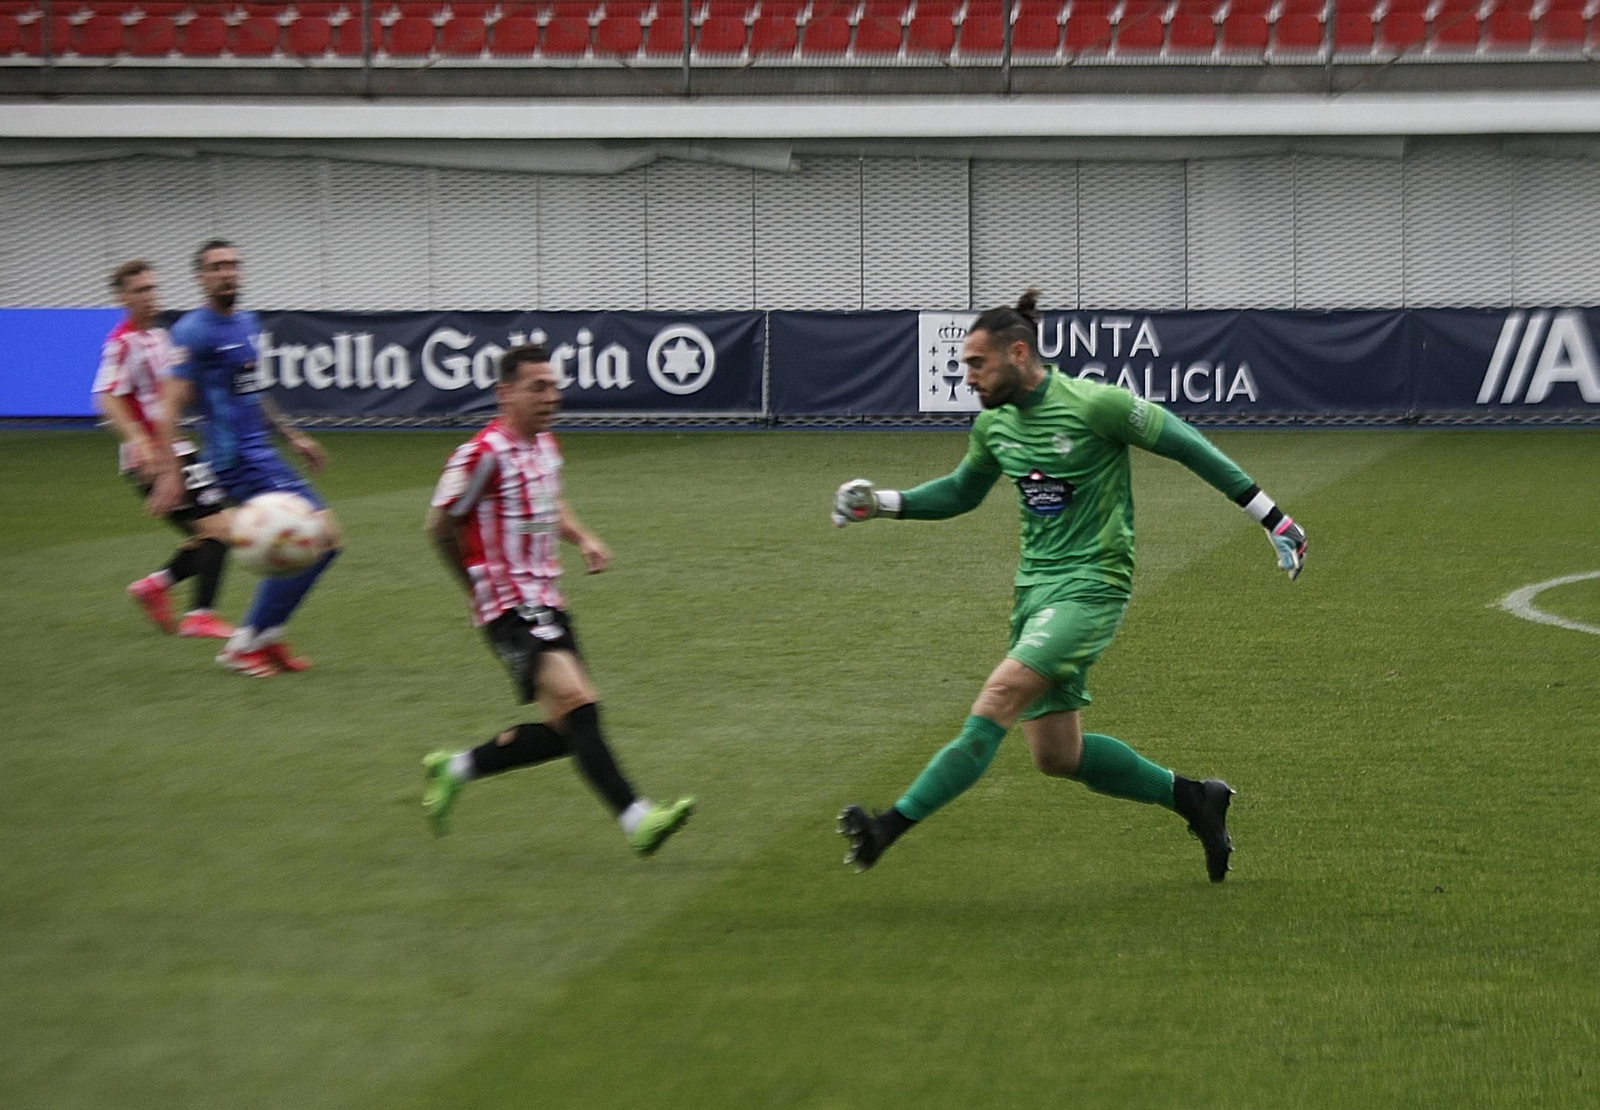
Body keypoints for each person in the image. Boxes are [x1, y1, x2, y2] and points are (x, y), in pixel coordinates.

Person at [831, 290, 1307, 882]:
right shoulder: (994, 427)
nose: (968, 376)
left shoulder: (1096, 405)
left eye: (977, 363)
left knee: (999, 697)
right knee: (1057, 756)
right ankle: (1194, 798)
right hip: (1034, 596)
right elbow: (961, 492)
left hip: (1093, 588)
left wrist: (1272, 517)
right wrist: (882, 504)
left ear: (1018, 352)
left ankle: (888, 827)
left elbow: (1187, 445)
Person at [420, 344, 695, 856]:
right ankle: (638, 819)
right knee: (579, 705)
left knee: (568, 727)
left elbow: (550, 503)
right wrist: (475, 589)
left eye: (554, 385)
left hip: (547, 596)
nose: (553, 396)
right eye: (538, 387)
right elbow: (439, 526)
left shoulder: (546, 445)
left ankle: (456, 767)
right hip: (507, 604)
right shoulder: (481, 454)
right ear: (505, 394)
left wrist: (583, 537)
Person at [146, 239, 339, 678]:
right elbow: (169, 406)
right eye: (216, 266)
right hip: (235, 459)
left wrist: (292, 436)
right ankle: (247, 642)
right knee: (324, 538)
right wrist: (170, 473)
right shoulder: (194, 331)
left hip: (263, 453)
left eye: (233, 264)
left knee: (322, 544)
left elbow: (251, 390)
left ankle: (264, 637)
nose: (227, 272)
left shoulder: (248, 323)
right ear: (201, 277)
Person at [93, 259, 234, 640]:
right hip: (157, 459)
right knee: (220, 531)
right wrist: (139, 442)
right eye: (140, 290)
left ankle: (156, 587)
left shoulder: (161, 336)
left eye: (153, 288)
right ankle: (199, 614)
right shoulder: (121, 343)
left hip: (179, 449)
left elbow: (174, 391)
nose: (150, 296)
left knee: (210, 535)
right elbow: (105, 398)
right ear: (123, 297)